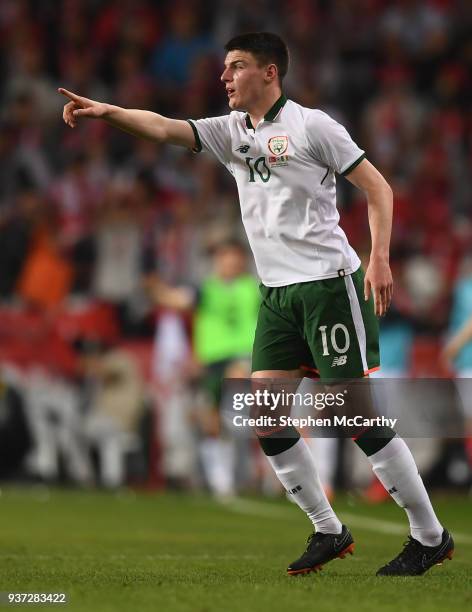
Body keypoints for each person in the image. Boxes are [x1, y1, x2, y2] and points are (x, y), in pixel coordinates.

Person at [59, 31, 453, 577]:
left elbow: (378, 188)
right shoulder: (229, 133)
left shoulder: (313, 126)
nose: (224, 77)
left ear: (270, 73)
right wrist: (109, 112)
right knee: (266, 414)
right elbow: (165, 126)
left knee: (356, 416)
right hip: (276, 294)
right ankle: (328, 529)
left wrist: (379, 258)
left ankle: (430, 535)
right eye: (224, 67)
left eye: (237, 66)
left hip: (328, 286)